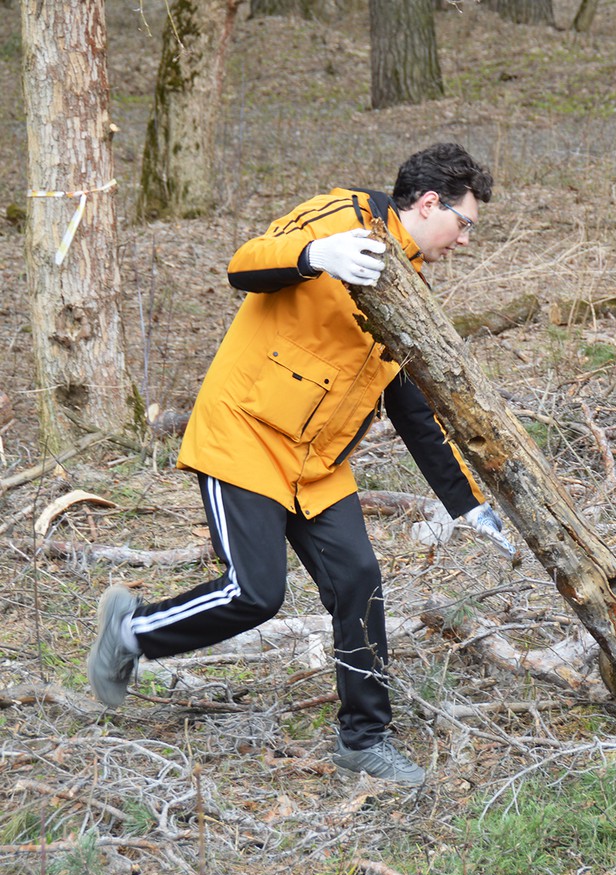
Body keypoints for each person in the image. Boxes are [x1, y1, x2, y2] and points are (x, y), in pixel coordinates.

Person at [88, 143, 514, 785]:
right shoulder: (338, 216)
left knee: (357, 582)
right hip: (248, 433)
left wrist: (466, 502)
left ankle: (364, 740)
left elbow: (411, 406)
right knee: (256, 592)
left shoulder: (409, 288)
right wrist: (316, 256)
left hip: (316, 463)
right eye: (466, 222)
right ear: (430, 204)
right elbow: (245, 265)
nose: (466, 238)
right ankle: (132, 633)